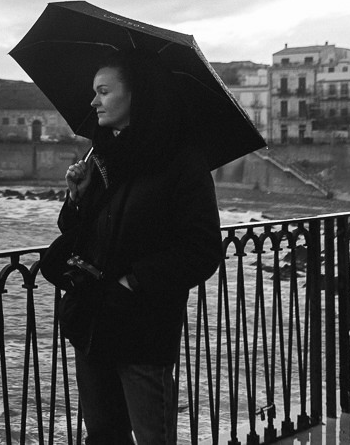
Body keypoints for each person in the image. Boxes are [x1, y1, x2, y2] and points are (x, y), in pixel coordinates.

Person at [55, 47, 223, 444]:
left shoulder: (182, 163)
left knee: (152, 437)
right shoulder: (101, 157)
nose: (93, 101)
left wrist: (133, 282)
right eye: (94, 92)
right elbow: (76, 232)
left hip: (143, 330)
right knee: (102, 436)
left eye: (104, 91)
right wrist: (77, 197)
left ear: (136, 96)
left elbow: (202, 249)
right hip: (93, 325)